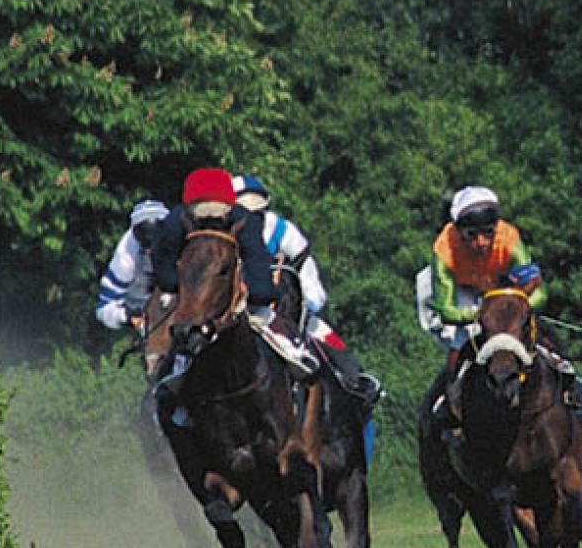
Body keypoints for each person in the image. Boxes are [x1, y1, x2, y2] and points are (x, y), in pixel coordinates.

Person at [426, 185, 582, 431]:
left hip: (503, 289)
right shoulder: (444, 249)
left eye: (488, 233)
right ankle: (448, 400)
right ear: (458, 231)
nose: (481, 243)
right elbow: (445, 308)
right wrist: (482, 314)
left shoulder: (509, 239)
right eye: (471, 235)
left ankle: (570, 385)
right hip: (465, 293)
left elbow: (539, 291)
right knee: (460, 341)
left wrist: (516, 307)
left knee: (533, 329)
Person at [149, 167, 315, 405]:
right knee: (182, 334)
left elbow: (257, 266)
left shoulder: (245, 221)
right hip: (192, 300)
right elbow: (164, 269)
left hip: (240, 296)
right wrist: (185, 288)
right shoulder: (176, 222)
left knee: (265, 320)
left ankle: (297, 359)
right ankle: (173, 385)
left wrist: (256, 294)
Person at [232, 174, 381, 403]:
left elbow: (313, 286)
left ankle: (359, 394)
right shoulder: (222, 237)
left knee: (350, 372)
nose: (252, 218)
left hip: (289, 317)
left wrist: (302, 307)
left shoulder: (284, 231)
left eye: (257, 211)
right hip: (235, 317)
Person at [94, 199, 172, 333]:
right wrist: (126, 316)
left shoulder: (184, 244)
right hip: (143, 314)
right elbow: (103, 308)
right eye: (144, 237)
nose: (151, 247)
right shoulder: (125, 258)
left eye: (158, 234)